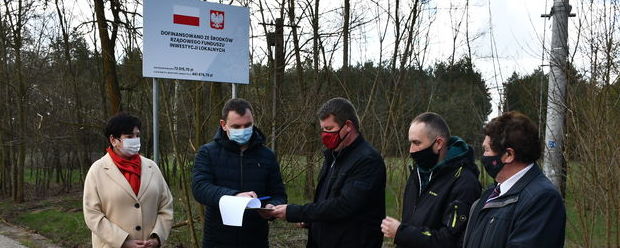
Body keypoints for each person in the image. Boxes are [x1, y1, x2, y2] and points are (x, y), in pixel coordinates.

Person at [272, 97, 386, 248]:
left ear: (348, 126)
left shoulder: (368, 160)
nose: (325, 134)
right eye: (323, 129)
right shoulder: (333, 156)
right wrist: (312, 220)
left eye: (330, 129)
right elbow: (326, 202)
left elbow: (344, 205)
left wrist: (297, 212)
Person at [192, 98, 287, 247]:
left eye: (247, 125)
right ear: (224, 125)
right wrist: (234, 196)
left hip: (256, 239)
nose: (243, 130)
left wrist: (272, 206)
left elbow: (279, 194)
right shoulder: (208, 152)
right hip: (217, 240)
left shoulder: (267, 155)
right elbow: (200, 188)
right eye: (236, 126)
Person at [463, 111, 566, 247]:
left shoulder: (542, 199)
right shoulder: (490, 195)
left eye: (487, 150)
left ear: (509, 155)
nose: (483, 156)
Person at [380, 112, 481, 248]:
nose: (411, 150)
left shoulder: (464, 182)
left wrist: (401, 232)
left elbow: (449, 240)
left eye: (417, 143)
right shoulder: (418, 172)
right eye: (410, 143)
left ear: (438, 143)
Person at [83, 112, 173, 248]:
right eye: (129, 136)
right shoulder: (97, 170)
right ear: (113, 140)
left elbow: (166, 206)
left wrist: (157, 237)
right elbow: (92, 214)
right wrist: (122, 241)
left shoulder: (152, 167)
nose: (136, 140)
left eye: (137, 135)